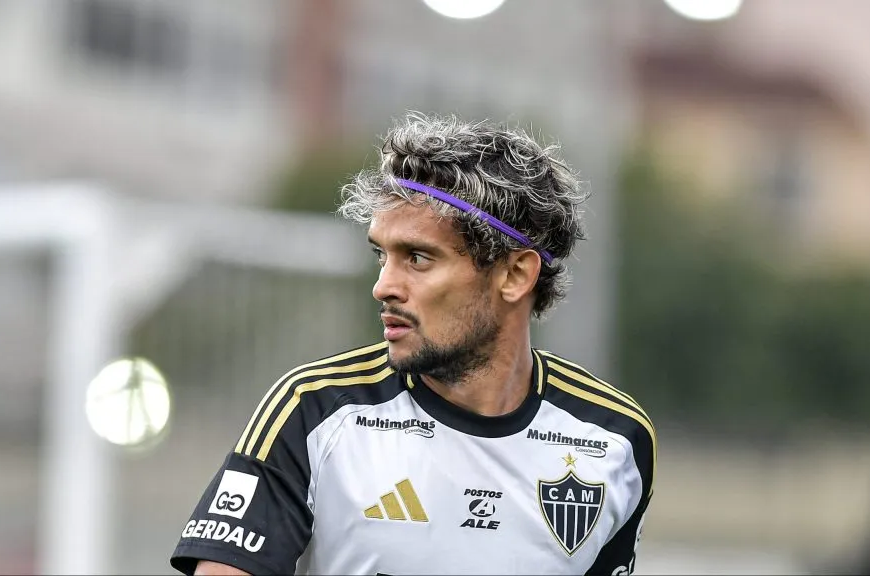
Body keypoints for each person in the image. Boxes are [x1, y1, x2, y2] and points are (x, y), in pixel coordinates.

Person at [170, 112, 656, 575]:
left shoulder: (614, 441)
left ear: (514, 274)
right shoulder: (314, 411)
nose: (384, 286)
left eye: (418, 258)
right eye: (383, 256)